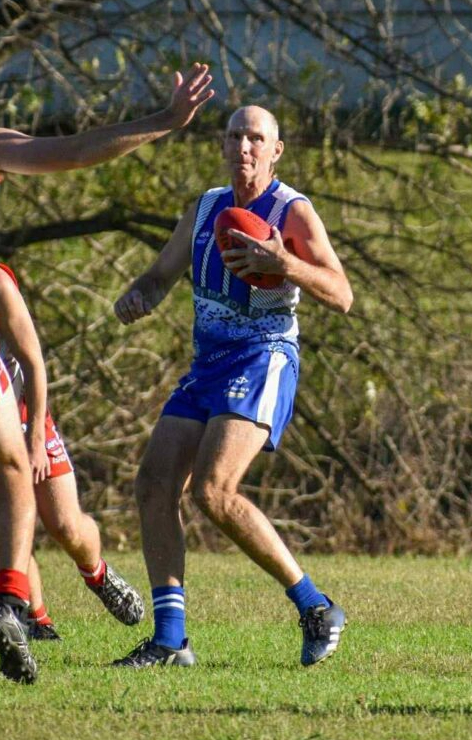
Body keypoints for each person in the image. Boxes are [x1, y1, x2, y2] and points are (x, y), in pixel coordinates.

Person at [113, 105, 353, 669]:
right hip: (208, 365)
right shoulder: (205, 208)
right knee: (154, 483)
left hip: (264, 356)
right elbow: (160, 274)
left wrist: (287, 264)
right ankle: (171, 641)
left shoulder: (292, 211)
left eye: (255, 138)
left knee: (213, 490)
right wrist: (140, 295)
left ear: (276, 150)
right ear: (223, 146)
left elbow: (342, 294)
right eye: (234, 136)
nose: (244, 147)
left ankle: (317, 608)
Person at [0, 62, 214, 683]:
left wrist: (164, 119)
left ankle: (65, 584)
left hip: (15, 378)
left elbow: (72, 151)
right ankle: (24, 611)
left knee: (57, 513)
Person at [0, 262, 144, 634]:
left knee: (64, 525)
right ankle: (37, 619)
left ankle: (96, 572)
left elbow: (34, 363)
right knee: (8, 514)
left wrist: (35, 438)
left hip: (25, 413)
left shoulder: (1, 285)